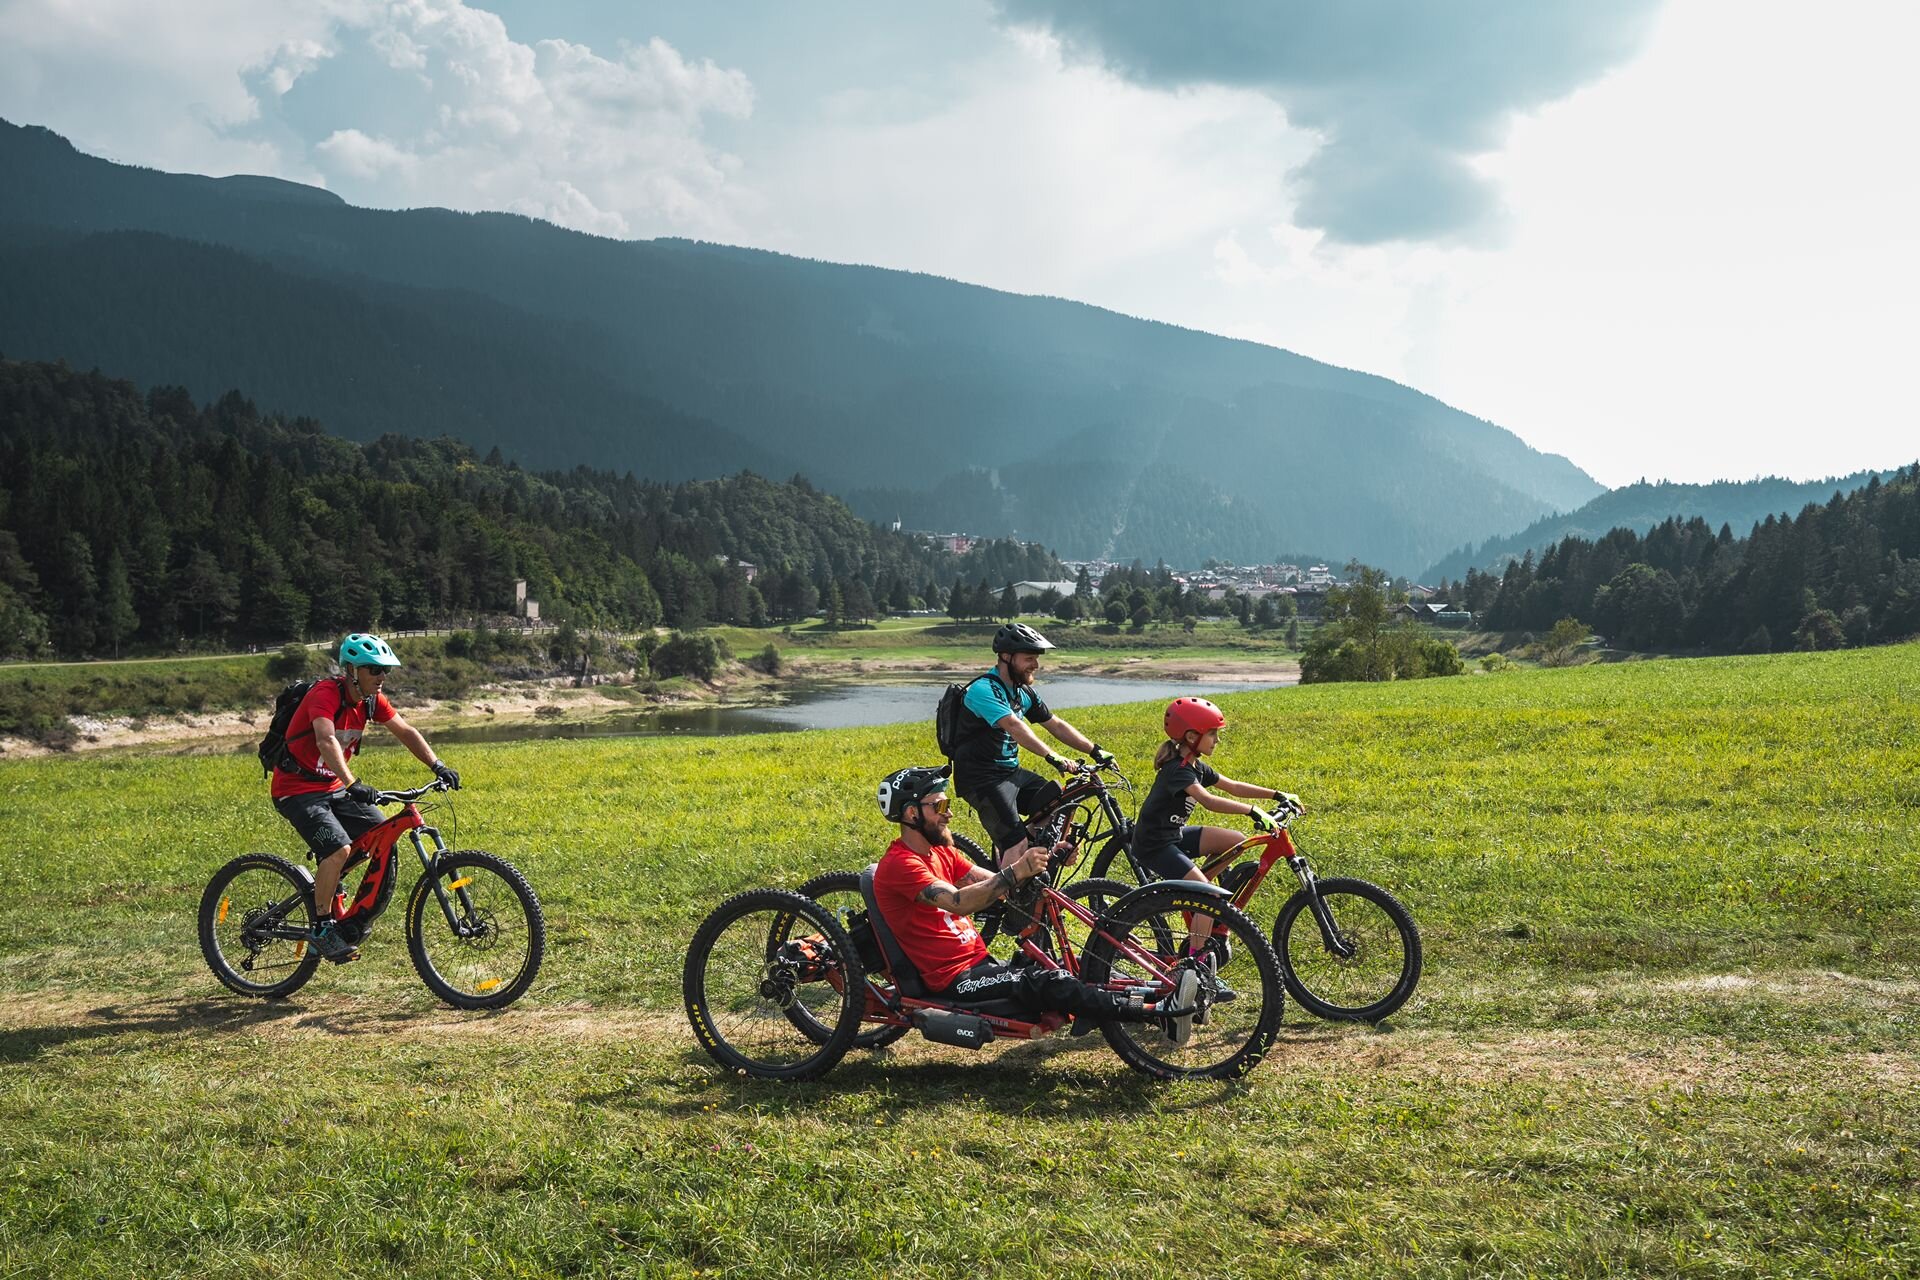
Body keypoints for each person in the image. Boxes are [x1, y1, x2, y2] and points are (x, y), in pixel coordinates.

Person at [871, 764, 1198, 1042]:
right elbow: (957, 902)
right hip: (955, 979)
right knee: (1048, 981)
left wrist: (1049, 858)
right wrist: (1016, 870)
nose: (950, 814)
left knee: (1056, 971)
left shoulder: (941, 852)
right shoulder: (900, 865)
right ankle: (1157, 1014)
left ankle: (1161, 997)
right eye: (939, 807)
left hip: (982, 964)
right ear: (912, 813)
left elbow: (994, 884)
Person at [269, 632, 460, 961]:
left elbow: (406, 731)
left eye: (386, 670)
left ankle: (352, 918)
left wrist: (438, 765)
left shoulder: (371, 701)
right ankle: (322, 928)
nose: (382, 677)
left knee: (381, 836)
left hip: (332, 788)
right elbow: (326, 740)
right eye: (374, 670)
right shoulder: (324, 694)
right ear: (352, 671)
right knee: (338, 849)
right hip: (296, 790)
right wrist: (352, 781)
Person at [1131, 697, 1300, 961]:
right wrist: (1252, 810)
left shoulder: (1197, 765)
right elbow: (1208, 801)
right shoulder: (1179, 770)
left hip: (1173, 836)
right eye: (1212, 734)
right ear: (1190, 736)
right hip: (1155, 845)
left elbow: (1232, 786)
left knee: (1236, 841)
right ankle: (1195, 961)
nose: (1217, 741)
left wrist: (1277, 794)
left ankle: (1199, 884)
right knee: (1207, 897)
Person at [948, 622, 1116, 867]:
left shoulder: (1022, 691)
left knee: (1060, 799)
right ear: (1006, 657)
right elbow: (1015, 726)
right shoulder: (983, 689)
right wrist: (1052, 756)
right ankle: (1006, 897)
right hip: (981, 779)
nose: (1035, 665)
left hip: (1010, 773)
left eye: (1036, 658)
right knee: (1014, 841)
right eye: (1029, 658)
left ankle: (1028, 857)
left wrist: (1095, 750)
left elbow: (1054, 724)